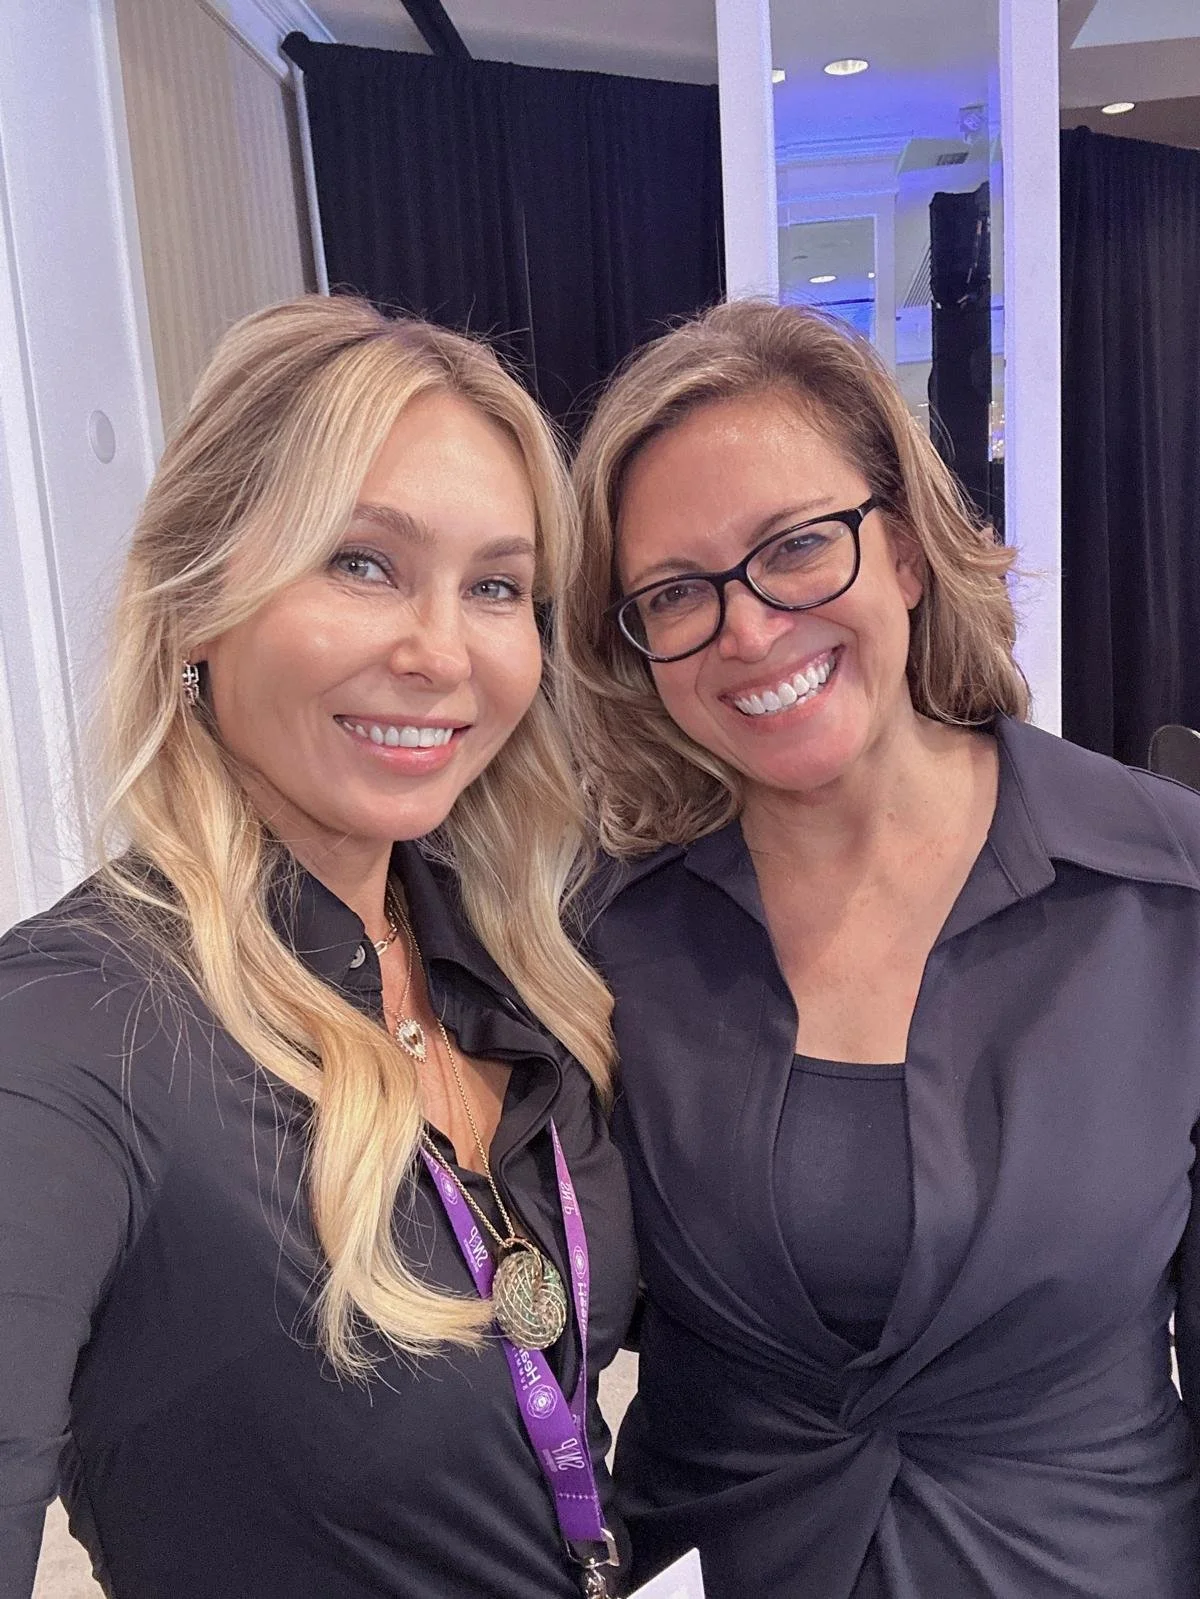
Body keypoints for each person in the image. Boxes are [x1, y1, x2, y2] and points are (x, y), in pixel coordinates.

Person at [556, 298, 1200, 1598]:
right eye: (676, 591)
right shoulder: (604, 937)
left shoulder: (1167, 893)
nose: (745, 629)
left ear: (905, 548)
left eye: (796, 547)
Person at [0, 296, 637, 1599]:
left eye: (497, 586)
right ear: (197, 600)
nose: (441, 649)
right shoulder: (74, 1024)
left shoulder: (508, 968)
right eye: (362, 561)